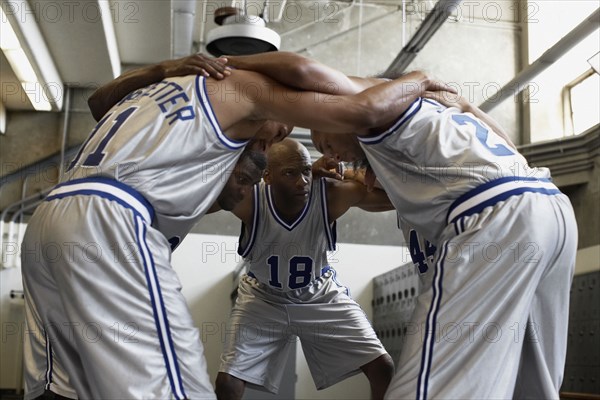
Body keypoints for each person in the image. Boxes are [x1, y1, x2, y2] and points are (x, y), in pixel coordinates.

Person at [21, 52, 449, 399]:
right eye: (280, 129)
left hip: (52, 218)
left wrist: (162, 67)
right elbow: (349, 98)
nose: (269, 141)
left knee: (63, 386)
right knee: (179, 387)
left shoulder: (168, 87)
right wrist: (417, 81)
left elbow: (98, 104)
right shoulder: (248, 90)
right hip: (114, 222)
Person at [308, 85, 578, 397]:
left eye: (326, 143)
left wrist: (462, 103)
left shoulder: (405, 145)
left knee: (421, 390)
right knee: (530, 388)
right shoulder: (409, 184)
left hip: (487, 258)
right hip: (526, 235)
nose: (331, 155)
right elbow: (363, 191)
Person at [212, 138, 395, 400]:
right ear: (268, 176)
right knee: (227, 384)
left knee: (383, 367)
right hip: (263, 298)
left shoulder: (330, 194)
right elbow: (204, 197)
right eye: (290, 173)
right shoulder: (251, 200)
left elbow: (395, 195)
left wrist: (349, 172)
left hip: (319, 293)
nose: (302, 182)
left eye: (306, 171)